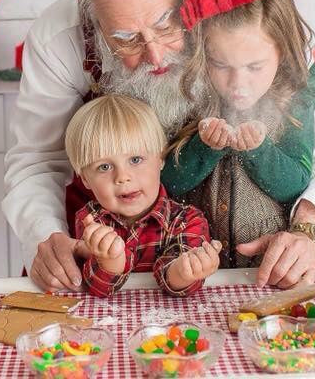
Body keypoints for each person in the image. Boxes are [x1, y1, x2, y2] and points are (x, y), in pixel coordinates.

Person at [2, 0, 315, 292]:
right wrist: (44, 234)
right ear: (96, 26)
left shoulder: (236, 8)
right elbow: (37, 160)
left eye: (166, 24)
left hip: (232, 258)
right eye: (126, 40)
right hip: (108, 247)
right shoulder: (59, 38)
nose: (156, 54)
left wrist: (308, 225)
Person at [162, 0, 315, 278]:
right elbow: (166, 183)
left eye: (255, 67)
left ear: (283, 54)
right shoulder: (189, 94)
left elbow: (297, 181)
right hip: (192, 276)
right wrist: (204, 147)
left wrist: (258, 150)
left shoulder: (292, 100)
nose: (237, 84)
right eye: (219, 64)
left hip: (267, 273)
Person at [66, 94, 221, 297]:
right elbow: (97, 288)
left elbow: (176, 285)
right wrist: (110, 260)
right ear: (85, 179)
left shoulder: (188, 220)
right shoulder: (91, 221)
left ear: (160, 159)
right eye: (104, 166)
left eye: (136, 159)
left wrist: (185, 271)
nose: (122, 177)